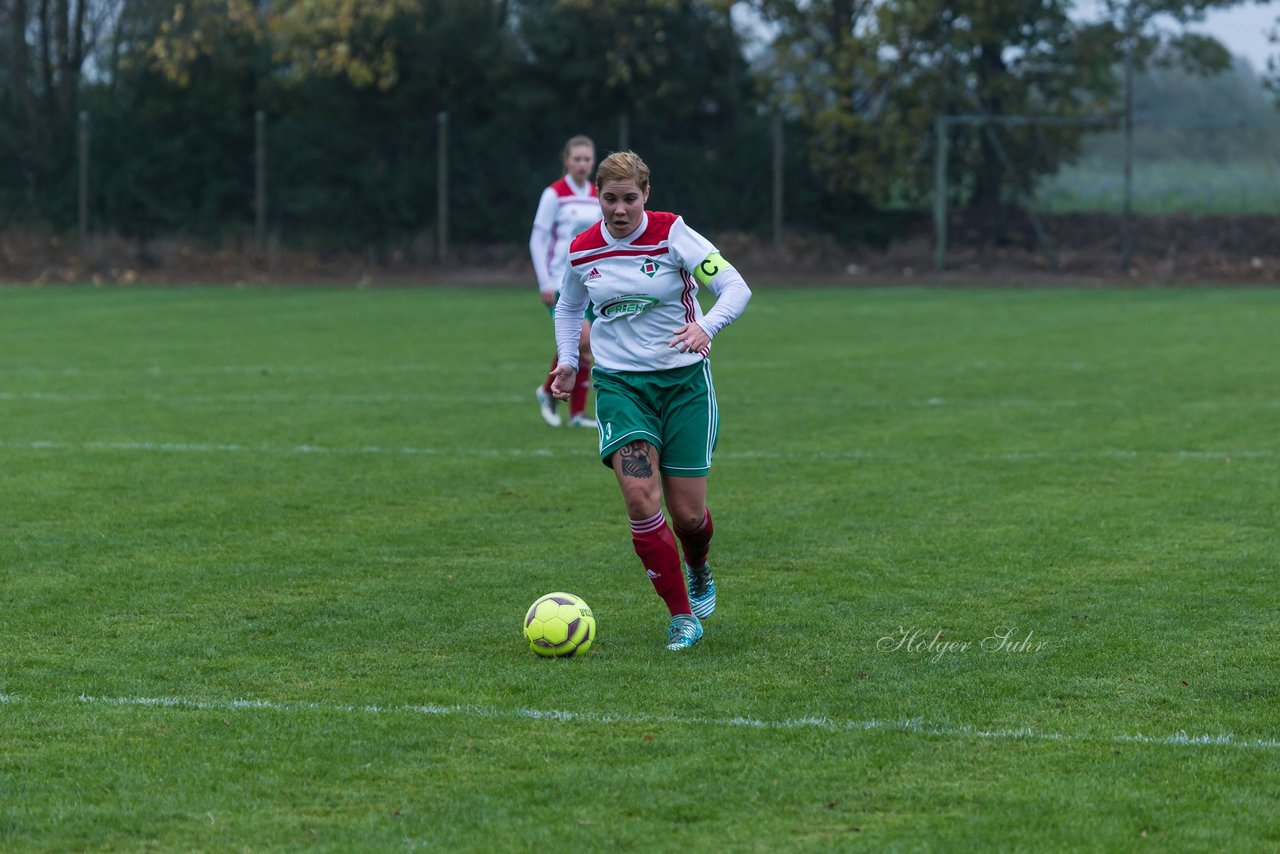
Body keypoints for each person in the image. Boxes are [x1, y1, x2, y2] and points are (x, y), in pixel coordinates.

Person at [549, 150, 751, 651]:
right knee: (641, 499)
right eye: (610, 199)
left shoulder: (673, 234)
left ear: (646, 195)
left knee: (689, 517)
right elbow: (570, 304)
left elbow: (734, 287)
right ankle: (682, 617)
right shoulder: (582, 250)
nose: (619, 210)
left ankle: (699, 566)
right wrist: (569, 361)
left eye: (630, 199)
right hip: (620, 388)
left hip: (684, 386)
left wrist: (705, 326)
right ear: (598, 196)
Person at [530, 135, 599, 428]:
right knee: (580, 337)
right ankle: (548, 392)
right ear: (566, 161)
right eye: (577, 159)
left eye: (587, 159)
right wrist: (544, 281)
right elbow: (538, 239)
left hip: (592, 280)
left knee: (587, 346)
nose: (582, 164)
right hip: (560, 280)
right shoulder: (554, 194)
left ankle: (576, 414)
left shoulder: (599, 194)